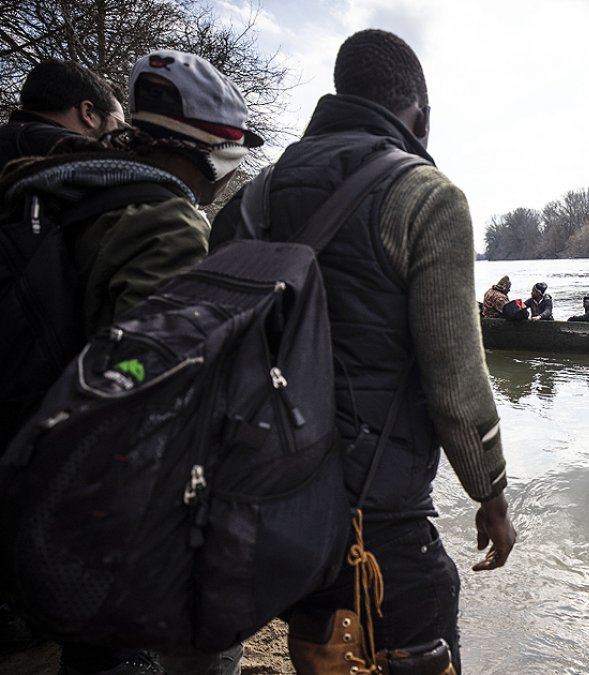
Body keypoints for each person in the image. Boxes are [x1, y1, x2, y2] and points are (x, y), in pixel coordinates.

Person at [210, 29, 516, 674]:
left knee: (325, 649)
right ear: (422, 117)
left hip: (269, 505)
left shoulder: (248, 199)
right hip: (372, 515)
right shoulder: (427, 197)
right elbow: (454, 377)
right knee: (413, 626)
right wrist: (489, 494)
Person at [0, 49, 258, 675]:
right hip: (71, 531)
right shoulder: (161, 219)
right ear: (205, 155)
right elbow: (157, 400)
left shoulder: (40, 180)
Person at [0, 59, 125, 170]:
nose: (121, 139)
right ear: (88, 112)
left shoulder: (12, 142)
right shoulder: (83, 160)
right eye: (119, 125)